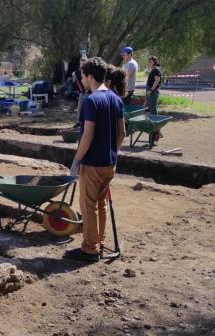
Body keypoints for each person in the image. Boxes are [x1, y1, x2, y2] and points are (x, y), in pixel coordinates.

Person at [66, 57, 125, 263]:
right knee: (100, 204)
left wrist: (77, 160)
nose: (81, 80)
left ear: (90, 76)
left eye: (82, 76)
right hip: (110, 163)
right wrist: (112, 153)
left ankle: (90, 249)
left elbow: (88, 135)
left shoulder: (91, 101)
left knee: (88, 205)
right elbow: (122, 132)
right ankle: (99, 240)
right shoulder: (116, 98)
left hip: (92, 164)